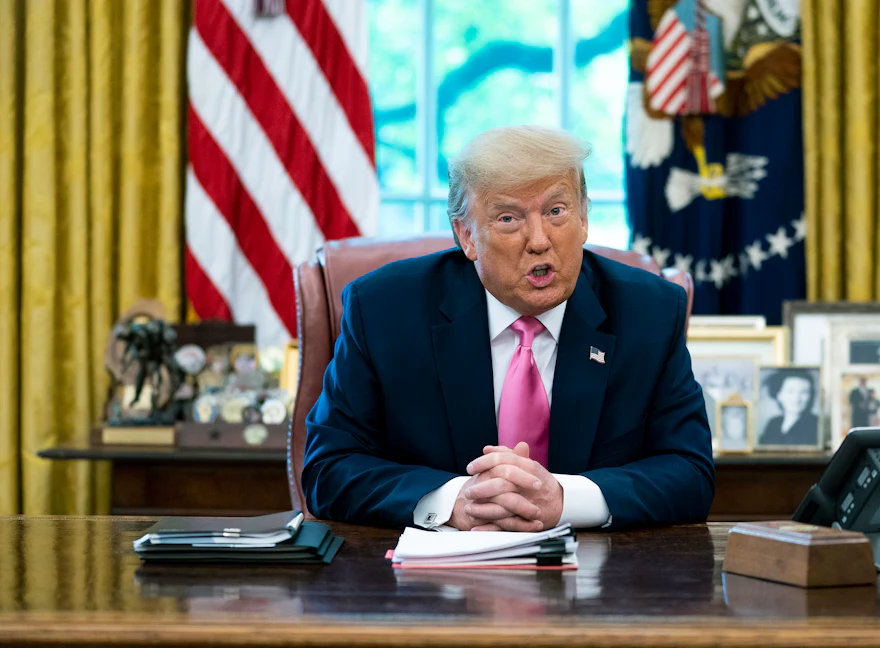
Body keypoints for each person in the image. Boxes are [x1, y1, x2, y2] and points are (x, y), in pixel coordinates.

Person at [302, 126, 714, 532]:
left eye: (557, 211)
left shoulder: (649, 312)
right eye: (508, 218)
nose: (539, 241)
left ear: (584, 218)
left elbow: (690, 473)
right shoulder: (384, 311)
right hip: (430, 587)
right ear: (466, 236)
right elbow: (328, 468)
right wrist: (454, 500)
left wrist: (565, 500)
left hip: (597, 585)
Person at [757, 370, 819, 445]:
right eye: (790, 391)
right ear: (778, 395)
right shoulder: (773, 424)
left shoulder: (815, 424)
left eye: (804, 392)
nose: (796, 398)